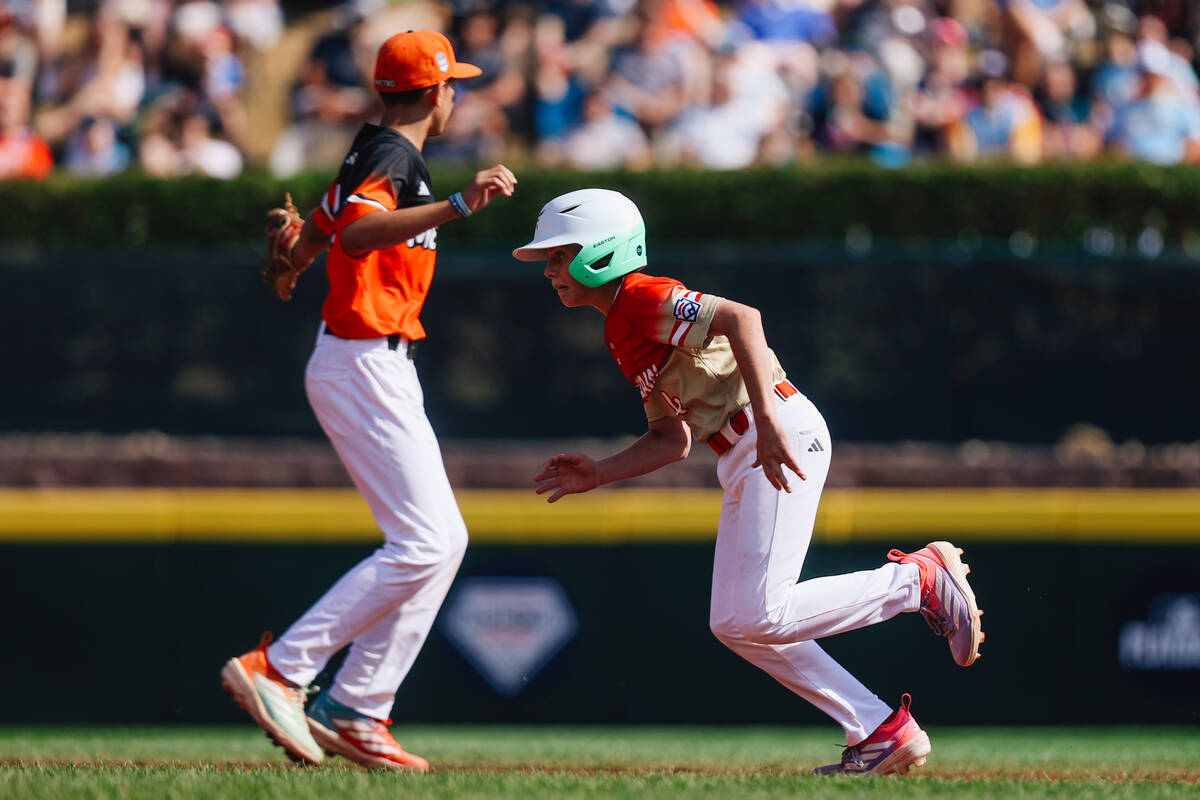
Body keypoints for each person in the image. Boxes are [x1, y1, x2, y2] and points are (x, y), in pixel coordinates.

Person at [513, 188, 984, 776]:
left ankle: (917, 581)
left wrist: (764, 420)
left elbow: (743, 318)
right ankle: (880, 730)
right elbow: (672, 439)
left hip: (774, 430)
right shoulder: (619, 329)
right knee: (736, 622)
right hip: (740, 447)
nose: (551, 268)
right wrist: (601, 473)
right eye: (549, 258)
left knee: (759, 614)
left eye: (560, 253)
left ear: (603, 250)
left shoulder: (640, 297)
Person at [221, 29, 517, 771]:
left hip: (368, 362)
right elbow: (356, 234)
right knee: (425, 542)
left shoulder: (370, 151)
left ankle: (356, 708)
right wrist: (458, 204)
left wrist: (292, 253)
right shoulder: (393, 157)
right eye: (454, 86)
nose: (457, 97)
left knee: (438, 543)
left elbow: (325, 226)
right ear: (435, 92)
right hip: (363, 362)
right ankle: (280, 668)